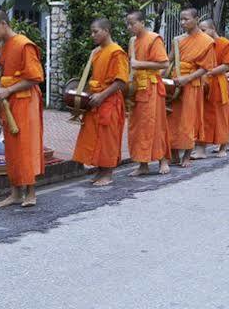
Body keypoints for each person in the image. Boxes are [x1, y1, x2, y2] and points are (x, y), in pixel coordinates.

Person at [0, 9, 45, 208]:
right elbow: (5, 74)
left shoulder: (23, 44)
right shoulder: (3, 47)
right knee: (11, 148)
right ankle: (15, 193)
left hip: (26, 101)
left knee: (26, 146)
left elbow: (36, 77)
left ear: (4, 24)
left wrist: (9, 89)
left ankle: (31, 192)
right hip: (9, 101)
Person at [71, 18, 129, 186]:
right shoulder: (96, 52)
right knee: (94, 136)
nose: (92, 35)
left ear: (106, 31)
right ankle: (100, 170)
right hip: (96, 98)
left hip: (109, 100)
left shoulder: (117, 52)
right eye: (92, 32)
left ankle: (108, 173)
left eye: (95, 31)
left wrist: (102, 95)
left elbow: (121, 81)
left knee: (107, 137)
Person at [125, 11, 172, 176]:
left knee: (156, 124)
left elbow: (164, 64)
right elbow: (131, 66)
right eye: (128, 25)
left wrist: (139, 64)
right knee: (137, 127)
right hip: (137, 88)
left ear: (142, 22)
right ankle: (142, 164)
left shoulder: (154, 38)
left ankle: (163, 160)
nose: (130, 27)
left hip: (152, 88)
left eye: (133, 23)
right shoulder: (132, 41)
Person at [167, 8, 212, 167]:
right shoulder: (177, 40)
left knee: (189, 120)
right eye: (181, 19)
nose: (182, 22)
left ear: (196, 19)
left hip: (192, 84)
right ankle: (173, 154)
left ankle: (186, 155)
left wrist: (187, 78)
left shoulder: (206, 41)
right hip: (175, 84)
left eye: (186, 19)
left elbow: (205, 68)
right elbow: (168, 61)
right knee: (172, 119)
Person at [197, 18, 229, 158]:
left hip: (218, 83)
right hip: (204, 83)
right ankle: (201, 149)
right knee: (203, 116)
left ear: (213, 29)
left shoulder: (225, 44)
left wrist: (210, 71)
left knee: (220, 116)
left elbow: (227, 64)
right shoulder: (204, 44)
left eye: (204, 30)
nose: (201, 33)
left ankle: (223, 146)